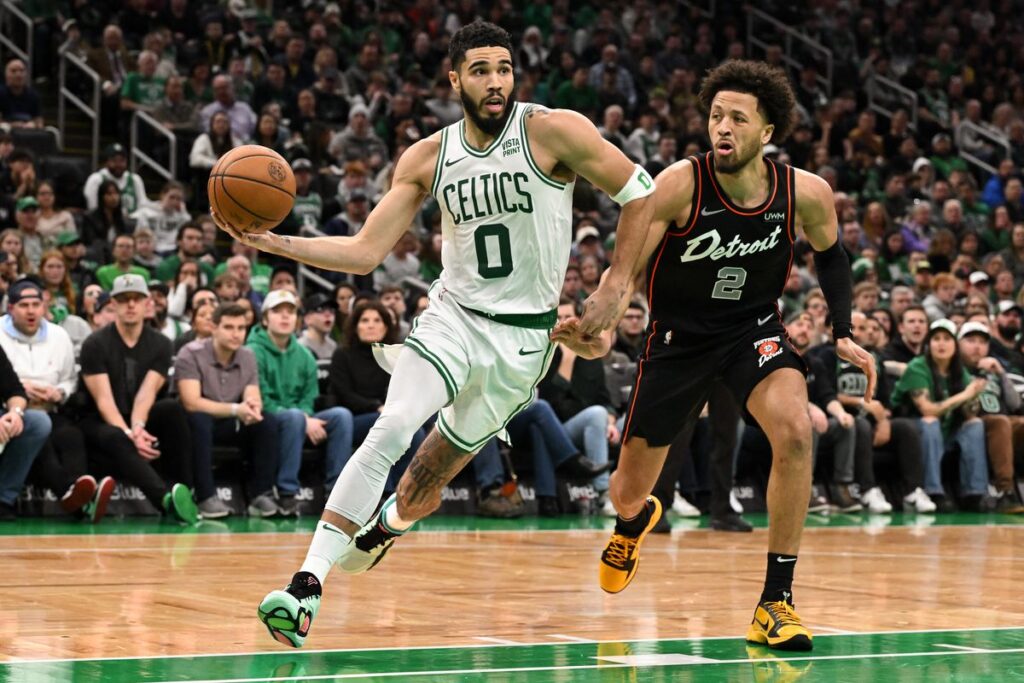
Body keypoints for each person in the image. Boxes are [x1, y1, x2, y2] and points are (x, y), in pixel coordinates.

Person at [216, 21, 654, 648]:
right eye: (480, 70)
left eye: (503, 68)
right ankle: (306, 586)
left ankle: (387, 527)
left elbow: (640, 191)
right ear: (455, 79)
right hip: (453, 317)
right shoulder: (427, 156)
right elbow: (366, 252)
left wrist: (617, 283)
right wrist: (273, 242)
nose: (496, 80)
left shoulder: (554, 130)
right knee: (393, 425)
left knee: (425, 482)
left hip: (522, 344)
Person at [553, 60, 875, 652]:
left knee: (797, 433)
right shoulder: (679, 183)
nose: (721, 127)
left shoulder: (804, 192)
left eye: (737, 119)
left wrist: (844, 327)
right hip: (678, 339)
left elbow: (832, 255)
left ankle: (775, 602)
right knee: (628, 491)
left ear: (767, 132)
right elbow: (627, 272)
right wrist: (599, 320)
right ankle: (630, 524)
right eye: (715, 116)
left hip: (752, 330)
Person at [78, 274, 198, 524]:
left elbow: (147, 393)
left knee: (172, 410)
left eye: (136, 299)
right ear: (113, 304)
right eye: (123, 300)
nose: (130, 305)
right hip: (101, 421)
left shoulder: (162, 344)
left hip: (137, 416)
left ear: (148, 304)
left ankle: (185, 491)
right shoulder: (94, 343)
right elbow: (104, 400)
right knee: (115, 436)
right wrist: (129, 433)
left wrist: (138, 427)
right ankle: (165, 500)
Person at [247, 289, 354, 516]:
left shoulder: (305, 355)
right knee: (294, 416)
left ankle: (335, 493)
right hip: (268, 417)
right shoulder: (252, 351)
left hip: (299, 417)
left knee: (341, 416)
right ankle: (287, 493)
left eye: (291, 312)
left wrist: (306, 416)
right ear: (265, 318)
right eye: (278, 311)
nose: (285, 316)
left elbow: (309, 396)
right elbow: (261, 398)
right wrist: (302, 417)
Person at [175, 302, 279, 519]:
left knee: (266, 421)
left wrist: (252, 408)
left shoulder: (248, 356)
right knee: (200, 420)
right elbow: (192, 402)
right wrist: (235, 409)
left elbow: (253, 395)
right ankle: (205, 496)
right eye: (229, 327)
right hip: (194, 421)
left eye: (241, 328)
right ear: (214, 328)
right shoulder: (190, 353)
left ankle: (261, 494)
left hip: (230, 420)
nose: (236, 334)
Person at [890, 319, 991, 512]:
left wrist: (974, 398)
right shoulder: (917, 367)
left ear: (955, 345)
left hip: (944, 432)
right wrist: (965, 394)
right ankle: (933, 491)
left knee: (975, 424)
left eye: (947, 339)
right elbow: (927, 410)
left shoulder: (959, 371)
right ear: (929, 344)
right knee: (930, 422)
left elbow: (970, 413)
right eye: (936, 338)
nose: (941, 344)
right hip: (909, 433)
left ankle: (975, 493)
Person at [298, 293, 337, 361]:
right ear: (307, 319)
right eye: (320, 310)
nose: (328, 314)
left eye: (331, 310)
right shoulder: (299, 347)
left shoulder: (333, 347)